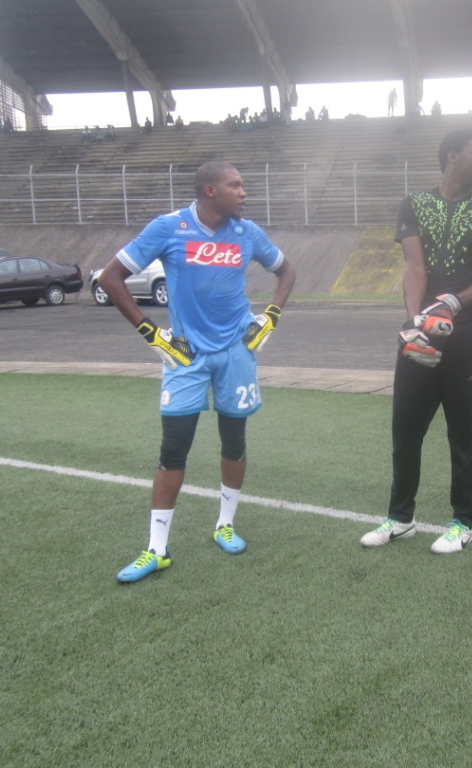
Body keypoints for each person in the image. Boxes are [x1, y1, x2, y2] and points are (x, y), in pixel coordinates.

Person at [100, 160, 297, 583]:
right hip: (185, 355)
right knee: (173, 447)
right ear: (210, 190)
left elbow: (286, 270)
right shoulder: (168, 227)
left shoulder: (247, 232)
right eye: (236, 185)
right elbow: (111, 278)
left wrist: (271, 316)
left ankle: (225, 524)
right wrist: (152, 334)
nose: (244, 193)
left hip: (237, 351)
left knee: (234, 440)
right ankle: (156, 549)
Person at [360, 129, 472, 555]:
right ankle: (401, 518)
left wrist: (451, 304)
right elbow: (414, 268)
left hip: (468, 336)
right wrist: (416, 321)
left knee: (462, 431)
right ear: (452, 157)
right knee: (405, 429)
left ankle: (462, 522)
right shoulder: (413, 203)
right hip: (422, 335)